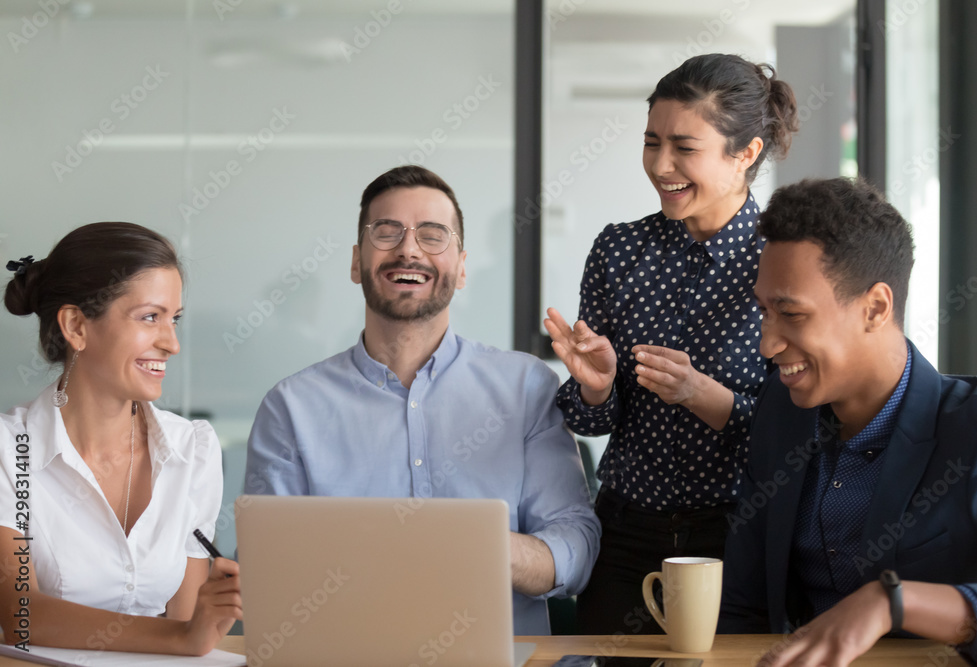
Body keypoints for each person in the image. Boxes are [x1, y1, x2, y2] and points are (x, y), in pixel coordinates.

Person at [244, 165, 601, 635]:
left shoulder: (527, 387)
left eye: (433, 235)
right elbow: (269, 570)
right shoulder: (290, 407)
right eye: (387, 232)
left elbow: (574, 548)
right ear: (356, 262)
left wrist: (471, 545)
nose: (409, 249)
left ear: (462, 266)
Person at [543, 53, 798, 634]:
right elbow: (591, 421)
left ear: (746, 154)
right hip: (626, 531)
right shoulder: (619, 251)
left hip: (739, 534)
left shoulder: (784, 262)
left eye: (684, 147)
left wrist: (702, 394)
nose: (661, 165)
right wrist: (597, 387)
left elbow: (810, 428)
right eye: (651, 142)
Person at [720, 177, 977, 666]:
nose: (767, 343)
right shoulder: (780, 411)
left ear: (875, 308)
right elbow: (742, 607)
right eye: (764, 312)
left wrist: (892, 602)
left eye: (791, 314)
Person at [0, 223, 240, 655]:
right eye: (150, 317)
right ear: (76, 326)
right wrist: (181, 636)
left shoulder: (192, 450)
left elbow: (187, 633)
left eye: (174, 319)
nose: (172, 343)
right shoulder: (9, 450)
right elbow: (21, 615)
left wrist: (212, 611)